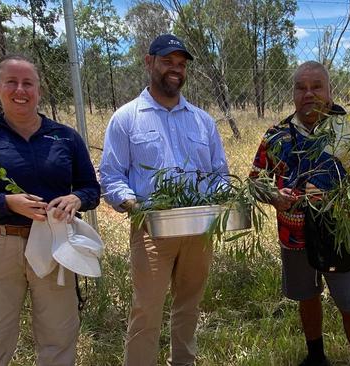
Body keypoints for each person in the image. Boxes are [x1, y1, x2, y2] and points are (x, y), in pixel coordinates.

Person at [250, 61, 350, 366]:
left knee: (349, 303)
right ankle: (315, 357)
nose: (308, 93)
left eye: (316, 87)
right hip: (293, 233)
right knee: (306, 296)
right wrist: (273, 196)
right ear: (293, 93)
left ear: (330, 91)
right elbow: (254, 180)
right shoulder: (277, 134)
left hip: (337, 233)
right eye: (301, 87)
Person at [0, 54, 100, 365]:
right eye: (11, 82)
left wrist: (75, 200)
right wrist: (5, 202)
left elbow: (91, 189)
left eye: (28, 83)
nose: (20, 90)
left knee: (59, 337)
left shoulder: (65, 137)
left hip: (55, 245)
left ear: (38, 90)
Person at [99, 34, 229, 366]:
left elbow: (218, 173)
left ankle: (183, 361)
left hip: (199, 228)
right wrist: (135, 206)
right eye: (168, 61)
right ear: (149, 62)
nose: (175, 69)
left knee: (189, 305)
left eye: (181, 64)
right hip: (152, 230)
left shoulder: (202, 120)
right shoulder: (127, 118)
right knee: (147, 308)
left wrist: (224, 200)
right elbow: (111, 176)